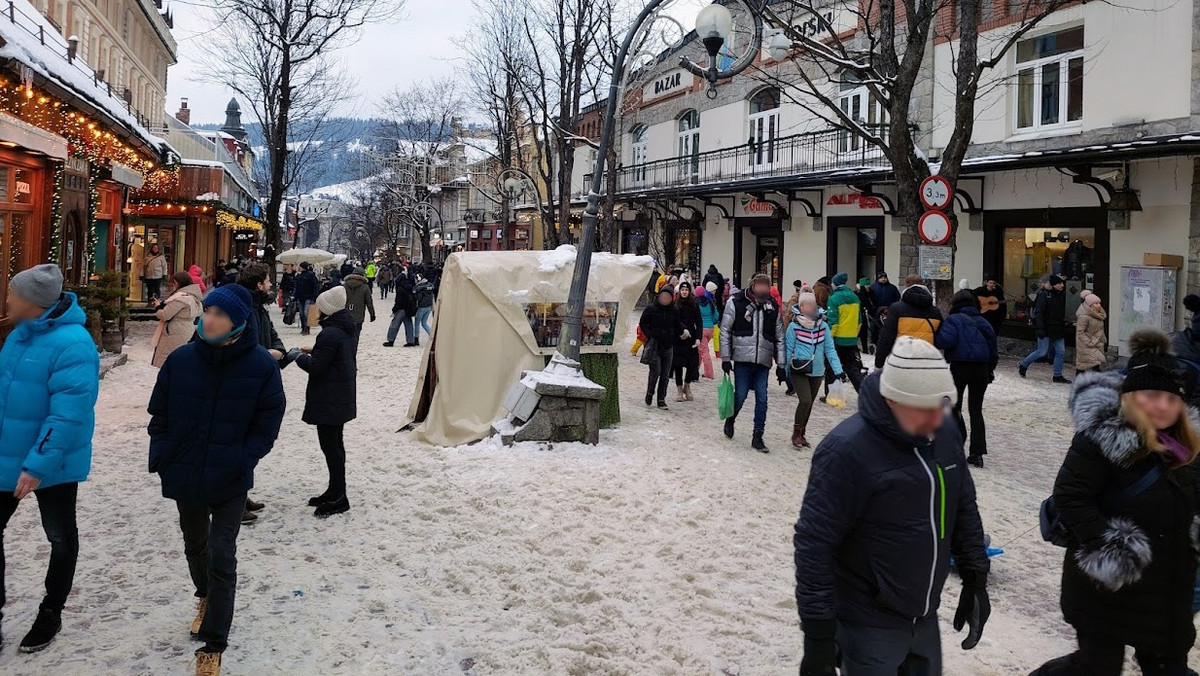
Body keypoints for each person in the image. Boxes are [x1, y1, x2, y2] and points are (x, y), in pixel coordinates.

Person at [795, 337, 990, 676]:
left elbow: (962, 506)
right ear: (893, 401)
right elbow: (813, 544)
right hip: (867, 621)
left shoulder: (943, 432)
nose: (937, 420)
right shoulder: (845, 451)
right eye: (926, 410)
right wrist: (818, 637)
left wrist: (975, 576)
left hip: (924, 614)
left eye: (942, 407)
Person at [1031, 331, 1200, 676]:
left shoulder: (1187, 451)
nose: (1163, 406)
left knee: (1170, 668)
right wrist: (1109, 550)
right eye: (1152, 396)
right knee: (1097, 666)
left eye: (1171, 399)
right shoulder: (1101, 441)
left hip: (1166, 589)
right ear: (1131, 398)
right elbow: (1071, 497)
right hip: (1107, 587)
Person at [147, 283, 285, 676]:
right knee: (195, 545)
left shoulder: (260, 365)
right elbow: (160, 414)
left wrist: (244, 458)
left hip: (230, 476)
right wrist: (163, 455)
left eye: (219, 314)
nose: (209, 319)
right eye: (207, 311)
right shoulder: (182, 360)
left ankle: (213, 643)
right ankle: (205, 595)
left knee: (222, 553)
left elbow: (268, 421)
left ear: (238, 322)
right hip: (185, 469)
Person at [0, 264, 99, 654]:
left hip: (52, 463)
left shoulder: (74, 343)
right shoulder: (19, 335)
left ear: (32, 303)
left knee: (59, 536)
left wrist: (37, 464)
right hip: (7, 454)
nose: (7, 299)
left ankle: (51, 610)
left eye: (12, 293)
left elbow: (68, 414)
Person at [291, 287, 357, 518]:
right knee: (335, 446)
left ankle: (339, 497)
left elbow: (316, 367)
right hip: (340, 395)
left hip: (330, 397)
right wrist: (316, 350)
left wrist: (297, 356)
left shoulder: (329, 334)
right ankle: (335, 490)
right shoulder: (344, 329)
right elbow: (336, 355)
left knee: (331, 448)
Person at [235, 263, 289, 525]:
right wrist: (265, 356)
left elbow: (273, 335)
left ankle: (240, 494)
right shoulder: (243, 310)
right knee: (244, 442)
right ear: (258, 284)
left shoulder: (259, 308)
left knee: (255, 440)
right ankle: (234, 500)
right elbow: (241, 347)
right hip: (246, 384)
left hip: (261, 379)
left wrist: (279, 351)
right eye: (268, 280)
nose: (270, 285)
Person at [719, 273, 786, 452]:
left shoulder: (772, 306)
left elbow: (780, 336)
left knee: (762, 399)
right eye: (761, 285)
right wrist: (725, 358)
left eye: (767, 285)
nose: (764, 289)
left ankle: (758, 435)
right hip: (742, 357)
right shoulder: (737, 302)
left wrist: (781, 364)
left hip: (763, 360)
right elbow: (725, 329)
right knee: (740, 395)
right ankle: (731, 419)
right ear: (753, 285)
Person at [935, 289, 998, 468]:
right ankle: (977, 453)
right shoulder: (983, 322)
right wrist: (990, 369)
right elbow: (993, 349)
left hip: (960, 367)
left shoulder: (953, 320)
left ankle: (955, 447)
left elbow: (944, 341)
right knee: (976, 410)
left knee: (954, 408)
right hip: (981, 369)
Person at [784, 292, 844, 449]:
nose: (810, 307)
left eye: (812, 304)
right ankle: (796, 433)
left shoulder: (822, 326)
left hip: (817, 370)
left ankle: (802, 433)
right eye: (806, 305)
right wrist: (784, 370)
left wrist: (838, 370)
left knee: (809, 404)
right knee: (805, 400)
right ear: (801, 307)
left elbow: (830, 349)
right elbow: (788, 348)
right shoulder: (794, 326)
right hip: (799, 368)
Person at [875, 274, 943, 368]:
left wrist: (879, 363)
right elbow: (940, 338)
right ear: (923, 284)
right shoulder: (935, 312)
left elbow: (887, 337)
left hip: (902, 358)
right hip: (926, 359)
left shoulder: (896, 308)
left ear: (906, 285)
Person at [1019, 274, 1070, 383]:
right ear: (1053, 285)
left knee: (1061, 351)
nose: (1062, 285)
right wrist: (1040, 328)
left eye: (1062, 283)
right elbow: (1039, 313)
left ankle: (1057, 375)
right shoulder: (1044, 295)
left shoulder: (1061, 295)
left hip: (1057, 328)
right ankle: (1024, 364)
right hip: (1046, 327)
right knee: (1042, 352)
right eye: (1059, 283)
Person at [639, 286, 683, 409]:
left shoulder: (674, 310)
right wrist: (649, 335)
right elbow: (643, 323)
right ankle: (650, 393)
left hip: (668, 345)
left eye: (668, 297)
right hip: (655, 345)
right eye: (663, 296)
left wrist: (683, 333)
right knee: (655, 371)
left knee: (665, 374)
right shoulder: (651, 308)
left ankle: (661, 399)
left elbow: (677, 325)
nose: (665, 299)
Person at [152, 271, 204, 368]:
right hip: (186, 329)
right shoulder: (193, 297)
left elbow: (165, 315)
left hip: (174, 331)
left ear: (181, 283)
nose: (173, 286)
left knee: (169, 359)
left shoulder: (180, 298)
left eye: (175, 283)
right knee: (180, 359)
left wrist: (158, 307)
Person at [825, 272, 865, 393]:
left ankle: (830, 394)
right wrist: (854, 335)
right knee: (852, 367)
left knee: (831, 366)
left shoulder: (834, 299)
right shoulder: (855, 297)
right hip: (851, 338)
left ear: (835, 284)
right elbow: (859, 321)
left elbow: (833, 321)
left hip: (837, 338)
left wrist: (829, 338)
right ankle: (864, 393)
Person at [672, 282, 702, 402]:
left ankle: (687, 385)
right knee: (678, 365)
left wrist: (698, 337)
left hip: (691, 337)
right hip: (678, 337)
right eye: (682, 289)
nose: (684, 292)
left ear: (690, 291)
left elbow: (699, 322)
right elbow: (674, 321)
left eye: (686, 290)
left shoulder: (694, 305)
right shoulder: (675, 305)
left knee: (691, 364)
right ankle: (679, 389)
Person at [1075, 294, 1107, 373]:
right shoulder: (1084, 316)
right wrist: (1090, 342)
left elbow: (1099, 329)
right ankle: (1083, 382)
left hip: (1096, 343)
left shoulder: (1098, 314)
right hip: (1086, 344)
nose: (1099, 305)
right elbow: (1080, 332)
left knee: (1092, 364)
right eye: (1096, 303)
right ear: (1090, 305)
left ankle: (1083, 381)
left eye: (1099, 303)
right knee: (1085, 364)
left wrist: (1103, 339)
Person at [342, 268, 376, 341]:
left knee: (345, 335)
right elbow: (369, 302)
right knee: (356, 335)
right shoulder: (365, 287)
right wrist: (372, 314)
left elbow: (338, 300)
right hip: (358, 316)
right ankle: (353, 349)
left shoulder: (344, 285)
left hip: (345, 314)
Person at [384, 273, 417, 347]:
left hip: (401, 309)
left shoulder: (400, 288)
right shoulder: (410, 287)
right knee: (409, 325)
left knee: (395, 324)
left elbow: (398, 301)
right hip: (408, 308)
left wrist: (394, 309)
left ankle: (390, 340)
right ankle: (410, 341)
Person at [696, 284, 719, 380]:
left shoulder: (696, 303)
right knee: (700, 349)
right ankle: (695, 368)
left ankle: (709, 373)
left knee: (704, 351)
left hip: (701, 329)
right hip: (710, 328)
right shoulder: (710, 302)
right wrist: (712, 322)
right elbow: (716, 315)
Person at [293, 262, 321, 336]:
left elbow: (315, 286)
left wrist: (315, 297)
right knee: (301, 314)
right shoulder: (299, 275)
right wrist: (295, 297)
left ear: (302, 267)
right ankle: (303, 328)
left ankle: (307, 328)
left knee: (306, 313)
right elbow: (297, 287)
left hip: (309, 297)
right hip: (301, 297)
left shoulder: (311, 275)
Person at [855, 277, 875, 354]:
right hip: (860, 316)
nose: (868, 286)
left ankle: (865, 349)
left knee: (864, 333)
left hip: (865, 316)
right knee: (860, 332)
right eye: (866, 285)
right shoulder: (859, 295)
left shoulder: (870, 293)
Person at [413, 274, 435, 343]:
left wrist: (414, 295)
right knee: (424, 323)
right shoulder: (430, 285)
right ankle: (432, 336)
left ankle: (416, 339)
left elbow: (418, 298)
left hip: (421, 307)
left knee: (417, 323)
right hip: (429, 306)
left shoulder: (419, 287)